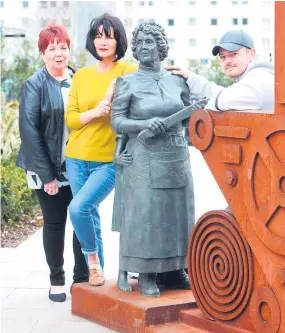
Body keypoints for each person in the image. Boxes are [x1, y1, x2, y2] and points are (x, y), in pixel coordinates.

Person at [111, 21, 196, 297]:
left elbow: (191, 118)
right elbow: (117, 121)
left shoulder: (177, 81)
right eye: (141, 43)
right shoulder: (127, 82)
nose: (146, 47)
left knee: (177, 213)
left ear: (161, 47)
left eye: (151, 42)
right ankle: (146, 273)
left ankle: (175, 270)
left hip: (175, 155)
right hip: (143, 157)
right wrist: (145, 123)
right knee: (147, 216)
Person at [16, 25, 89, 302]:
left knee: (82, 220)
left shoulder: (79, 78)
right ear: (42, 54)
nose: (59, 54)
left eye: (63, 48)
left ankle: (81, 279)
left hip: (78, 165)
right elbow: (30, 132)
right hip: (44, 168)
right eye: (52, 49)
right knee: (56, 223)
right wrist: (48, 176)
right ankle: (56, 279)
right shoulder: (35, 84)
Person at [64, 14, 137, 287]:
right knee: (88, 212)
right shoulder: (81, 75)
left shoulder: (128, 72)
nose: (102, 41)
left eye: (108, 35)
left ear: (118, 39)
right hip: (76, 156)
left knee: (79, 208)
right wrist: (95, 111)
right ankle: (97, 269)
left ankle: (92, 263)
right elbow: (70, 119)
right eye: (97, 35)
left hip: (108, 160)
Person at [167, 30, 274, 111]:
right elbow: (225, 94)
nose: (227, 61)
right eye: (223, 57)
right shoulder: (252, 78)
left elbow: (222, 100)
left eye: (233, 54)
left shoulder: (260, 77)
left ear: (251, 53)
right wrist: (191, 78)